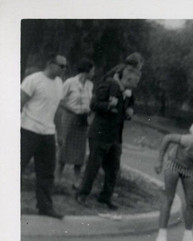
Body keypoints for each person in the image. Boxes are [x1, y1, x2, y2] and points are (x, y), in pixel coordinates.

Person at [76, 65, 141, 209]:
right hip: (100, 134)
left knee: (113, 169)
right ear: (128, 78)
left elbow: (127, 106)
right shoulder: (109, 84)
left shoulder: (127, 92)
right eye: (135, 81)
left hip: (115, 137)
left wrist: (129, 111)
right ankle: (82, 194)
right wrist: (108, 106)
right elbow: (94, 104)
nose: (136, 85)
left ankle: (105, 197)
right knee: (93, 166)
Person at [21, 53, 67, 219]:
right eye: (61, 66)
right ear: (50, 63)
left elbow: (57, 111)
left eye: (65, 67)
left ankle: (45, 207)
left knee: (47, 173)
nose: (64, 69)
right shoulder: (33, 80)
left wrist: (60, 133)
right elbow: (19, 102)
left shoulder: (59, 83)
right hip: (28, 130)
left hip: (48, 134)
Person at [56, 58, 95, 189]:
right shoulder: (70, 82)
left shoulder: (90, 85)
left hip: (83, 120)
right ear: (86, 70)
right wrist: (73, 110)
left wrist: (88, 111)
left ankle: (76, 181)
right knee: (65, 147)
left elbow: (89, 102)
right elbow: (60, 100)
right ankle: (57, 178)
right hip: (70, 117)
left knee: (80, 151)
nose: (93, 73)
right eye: (92, 70)